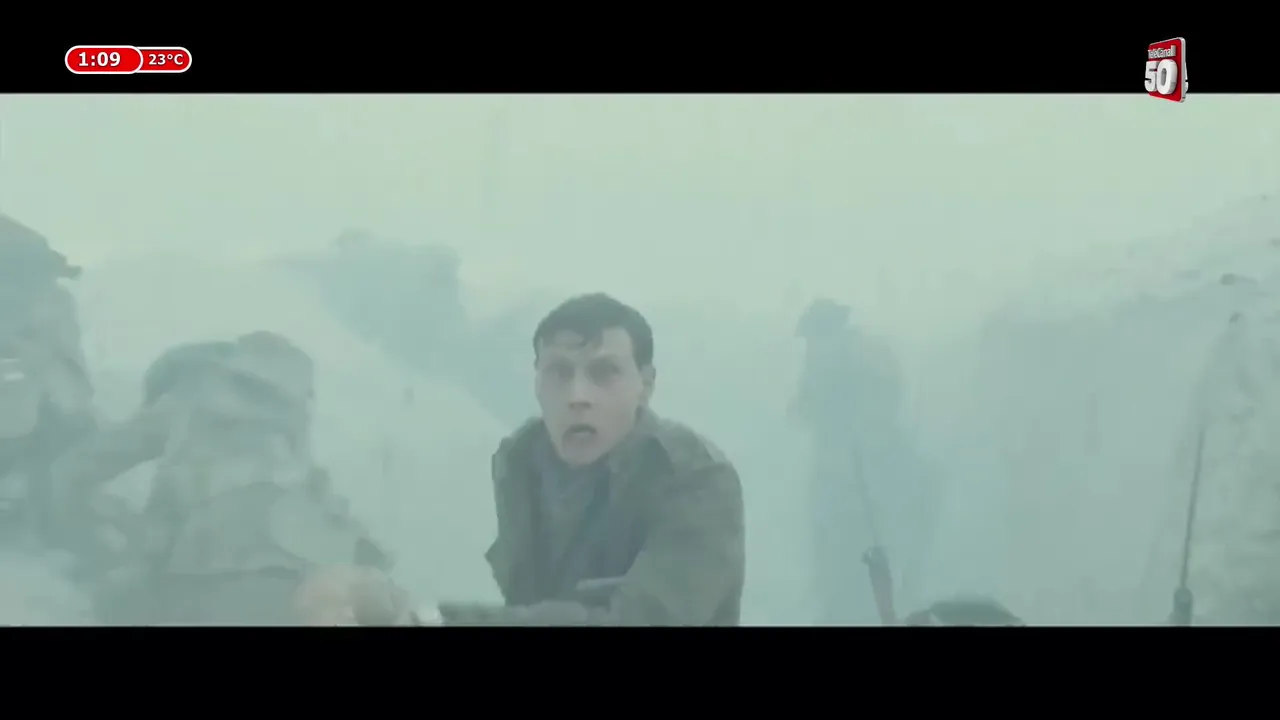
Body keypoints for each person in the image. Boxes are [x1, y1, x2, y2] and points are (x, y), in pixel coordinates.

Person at [323, 292, 746, 626]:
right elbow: (527, 604)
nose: (578, 396)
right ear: (537, 382)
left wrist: (432, 620)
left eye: (604, 373)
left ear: (645, 385)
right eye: (559, 373)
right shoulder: (523, 461)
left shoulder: (695, 479)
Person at [49, 331, 388, 625]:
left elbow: (77, 468)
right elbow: (324, 509)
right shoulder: (290, 432)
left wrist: (83, 531)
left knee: (105, 602)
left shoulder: (188, 402)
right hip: (298, 586)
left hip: (197, 581)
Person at [792, 297, 937, 625]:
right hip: (845, 478)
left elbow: (884, 403)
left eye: (815, 336)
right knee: (842, 560)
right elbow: (801, 409)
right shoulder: (831, 361)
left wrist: (852, 411)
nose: (812, 346)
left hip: (864, 477)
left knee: (865, 555)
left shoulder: (861, 355)